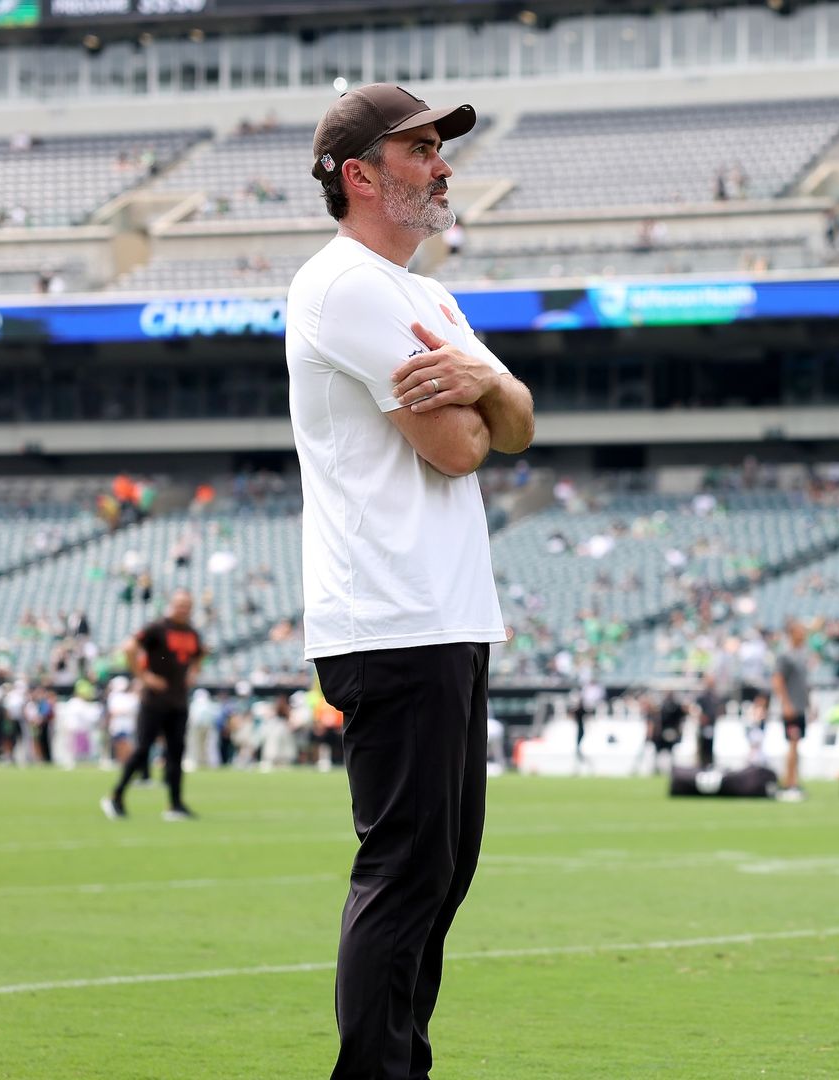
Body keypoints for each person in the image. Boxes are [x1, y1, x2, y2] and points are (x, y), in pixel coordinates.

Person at [288, 83, 534, 1080]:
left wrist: (493, 389)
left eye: (442, 147)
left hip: (443, 613)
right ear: (360, 175)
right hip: (390, 616)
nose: (442, 165)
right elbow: (458, 450)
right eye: (420, 147)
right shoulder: (345, 284)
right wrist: (488, 397)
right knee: (404, 871)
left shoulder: (427, 296)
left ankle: (402, 1066)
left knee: (441, 873)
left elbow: (511, 420)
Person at [103, 590, 205, 820]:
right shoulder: (157, 628)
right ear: (171, 605)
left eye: (187, 605)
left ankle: (175, 804)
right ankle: (116, 796)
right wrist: (144, 677)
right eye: (180, 605)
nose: (183, 609)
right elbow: (129, 648)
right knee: (142, 749)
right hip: (154, 701)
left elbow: (200, 653)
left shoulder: (192, 632)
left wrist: (194, 672)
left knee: (176, 753)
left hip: (178, 701)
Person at [769, 620, 813, 801]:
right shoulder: (785, 656)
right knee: (793, 744)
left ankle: (794, 780)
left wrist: (810, 704)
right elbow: (777, 681)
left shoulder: (802, 656)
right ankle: (789, 783)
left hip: (800, 706)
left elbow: (804, 685)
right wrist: (786, 704)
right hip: (792, 707)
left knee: (797, 745)